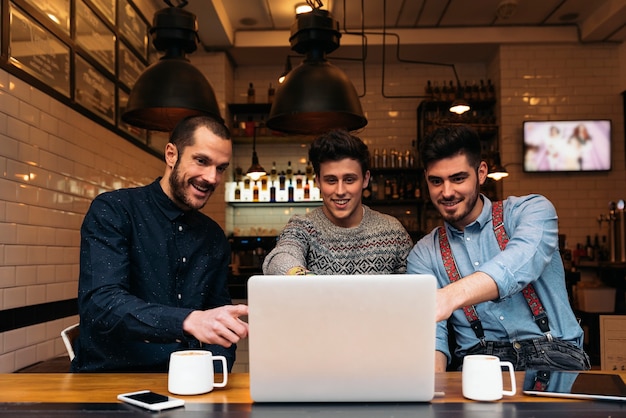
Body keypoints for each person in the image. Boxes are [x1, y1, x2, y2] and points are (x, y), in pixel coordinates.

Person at [71, 115, 249, 373]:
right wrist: (188, 320)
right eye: (201, 161)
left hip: (186, 385)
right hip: (108, 383)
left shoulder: (213, 237)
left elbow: (218, 319)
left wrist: (215, 373)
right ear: (171, 155)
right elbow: (101, 304)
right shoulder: (114, 210)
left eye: (221, 168)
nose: (212, 177)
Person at [407, 124, 589, 372]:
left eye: (458, 178)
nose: (446, 192)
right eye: (436, 181)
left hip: (555, 357)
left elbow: (516, 264)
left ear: (481, 173)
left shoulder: (531, 211)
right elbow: (433, 338)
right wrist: (431, 390)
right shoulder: (424, 253)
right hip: (478, 365)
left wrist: (449, 296)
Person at [263, 129, 413, 275]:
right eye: (331, 180)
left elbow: (414, 288)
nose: (340, 191)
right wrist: (304, 278)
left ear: (365, 179)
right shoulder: (302, 227)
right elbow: (280, 257)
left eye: (349, 179)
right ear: (318, 182)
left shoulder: (393, 231)